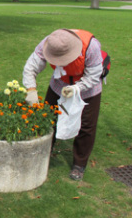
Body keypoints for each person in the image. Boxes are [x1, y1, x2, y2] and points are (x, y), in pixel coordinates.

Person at [22, 28, 103, 181]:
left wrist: (77, 88)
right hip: (59, 84)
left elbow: (94, 75)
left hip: (88, 88)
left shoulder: (91, 46)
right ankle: (44, 153)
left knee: (86, 125)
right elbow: (30, 68)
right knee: (48, 119)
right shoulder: (49, 43)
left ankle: (79, 163)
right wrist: (31, 90)